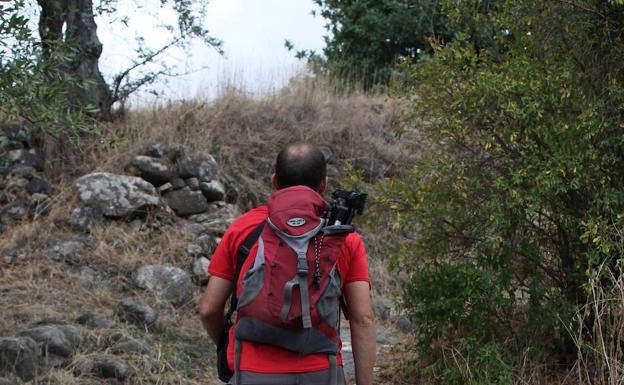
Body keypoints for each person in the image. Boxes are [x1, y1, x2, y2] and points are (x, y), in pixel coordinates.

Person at [199, 143, 376, 385]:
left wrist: (225, 342)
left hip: (252, 372)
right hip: (322, 373)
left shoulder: (244, 229)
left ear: (274, 181)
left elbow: (209, 308)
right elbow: (362, 319)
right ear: (323, 184)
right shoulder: (343, 237)